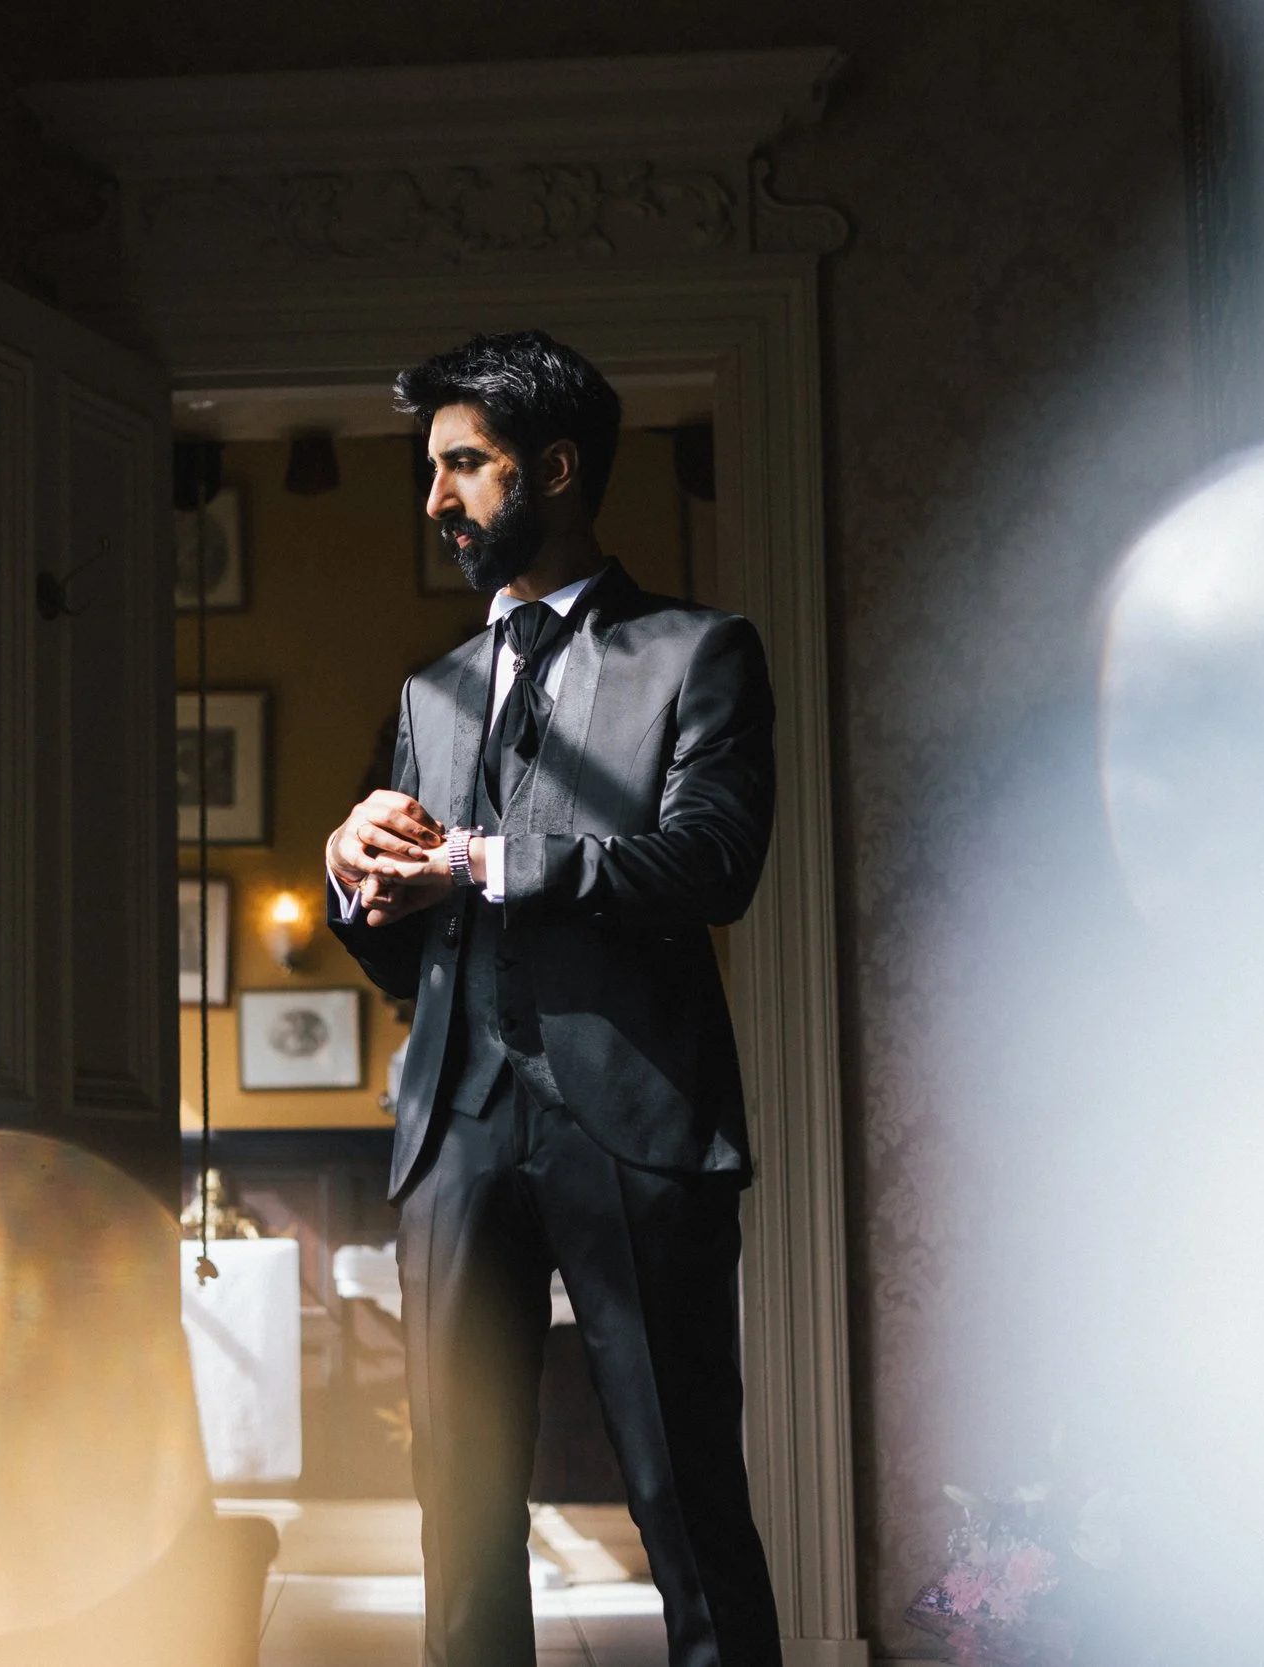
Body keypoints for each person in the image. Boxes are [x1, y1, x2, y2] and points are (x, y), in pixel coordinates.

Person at [326, 331, 782, 1667]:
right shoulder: (430, 691)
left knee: (684, 1495)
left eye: (464, 465)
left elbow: (713, 861)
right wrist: (358, 878)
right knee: (456, 1513)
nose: (436, 500)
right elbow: (407, 941)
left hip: (634, 1116)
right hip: (455, 1125)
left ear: (558, 468)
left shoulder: (699, 653)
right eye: (432, 470)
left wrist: (482, 859)